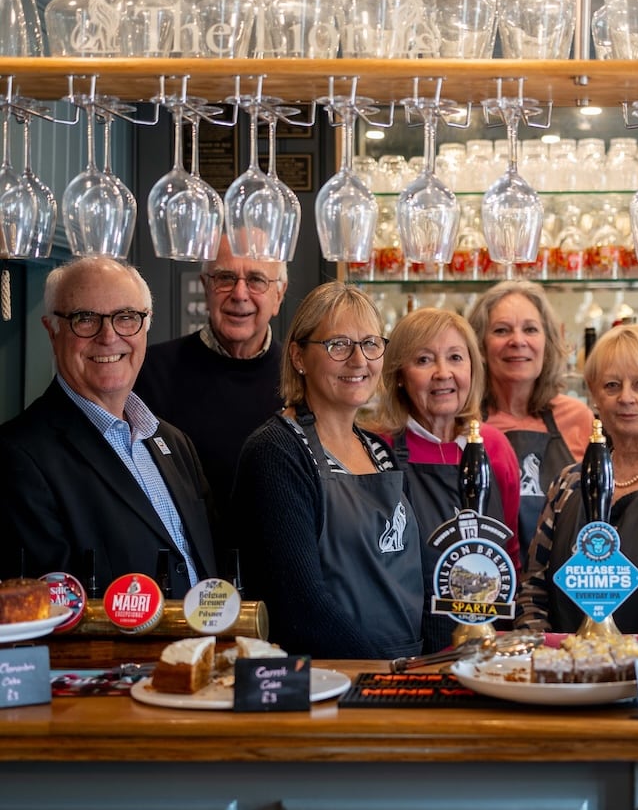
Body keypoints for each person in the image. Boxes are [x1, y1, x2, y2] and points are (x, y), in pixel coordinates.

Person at [232, 282, 426, 659]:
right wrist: (380, 673)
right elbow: (300, 607)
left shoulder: (378, 450)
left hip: (407, 669)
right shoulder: (276, 452)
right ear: (298, 357)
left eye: (370, 344)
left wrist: (436, 661)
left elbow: (418, 570)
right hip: (331, 681)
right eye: (338, 344)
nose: (359, 361)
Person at [0, 256, 217, 592]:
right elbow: (51, 614)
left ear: (146, 325)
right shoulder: (17, 458)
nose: (108, 336)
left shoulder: (173, 443)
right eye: (85, 319)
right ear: (51, 330)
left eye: (126, 317)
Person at [515, 324, 638, 634]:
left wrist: (621, 663)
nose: (626, 397)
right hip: (563, 675)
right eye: (612, 385)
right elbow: (532, 589)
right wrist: (553, 659)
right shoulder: (568, 483)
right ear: (594, 395)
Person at [369, 308, 522, 651]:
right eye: (424, 360)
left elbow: (510, 554)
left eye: (455, 357)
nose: (443, 373)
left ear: (472, 368)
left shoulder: (495, 447)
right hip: (409, 646)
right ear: (398, 376)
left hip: (487, 645)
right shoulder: (380, 451)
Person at [134, 241, 287, 564]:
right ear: (205, 286)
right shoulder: (148, 371)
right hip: (183, 575)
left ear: (279, 295)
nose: (240, 293)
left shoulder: (302, 377)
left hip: (280, 571)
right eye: (225, 278)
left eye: (257, 280)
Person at [468, 280, 594, 562]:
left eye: (530, 329)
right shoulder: (465, 422)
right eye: (501, 330)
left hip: (562, 586)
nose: (518, 341)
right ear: (479, 346)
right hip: (487, 589)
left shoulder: (578, 419)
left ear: (547, 343)